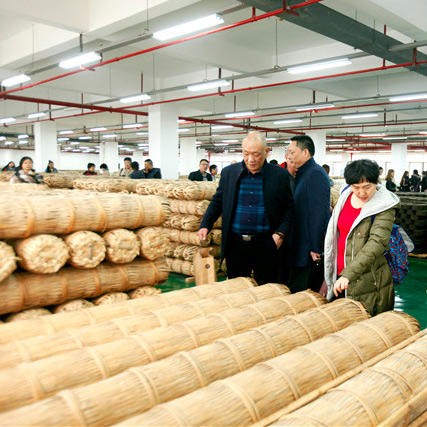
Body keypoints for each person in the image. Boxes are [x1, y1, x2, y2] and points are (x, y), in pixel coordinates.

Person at [198, 131, 294, 285]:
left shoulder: (280, 175)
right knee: (237, 288)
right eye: (246, 153)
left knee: (267, 289)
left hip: (266, 243)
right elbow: (218, 201)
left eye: (256, 154)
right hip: (236, 244)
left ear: (266, 152)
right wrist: (205, 225)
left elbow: (290, 209)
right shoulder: (230, 173)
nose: (251, 159)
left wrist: (280, 234)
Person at [323, 159, 400, 316]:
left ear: (376, 183)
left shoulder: (385, 205)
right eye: (356, 187)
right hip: (339, 275)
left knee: (363, 323)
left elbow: (377, 242)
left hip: (367, 279)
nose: (362, 193)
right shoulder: (344, 198)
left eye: (367, 187)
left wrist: (348, 274)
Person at [286, 135, 330, 293]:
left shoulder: (315, 174)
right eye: (288, 152)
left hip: (307, 250)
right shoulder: (303, 173)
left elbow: (319, 213)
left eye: (292, 151)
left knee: (304, 291)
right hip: (299, 245)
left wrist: (315, 247)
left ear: (305, 152)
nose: (289, 155)